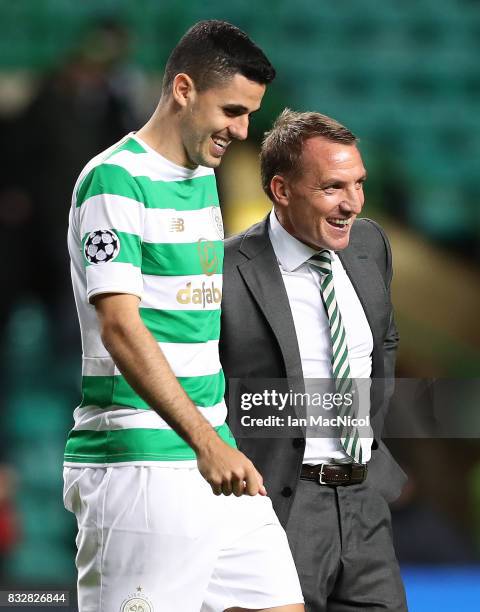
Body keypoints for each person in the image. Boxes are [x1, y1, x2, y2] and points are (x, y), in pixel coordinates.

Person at [63, 22, 304, 612]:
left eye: (250, 115)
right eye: (232, 110)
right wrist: (204, 441)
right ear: (183, 89)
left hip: (214, 453)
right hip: (141, 461)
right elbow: (120, 326)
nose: (243, 130)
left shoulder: (203, 176)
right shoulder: (115, 180)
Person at [219, 109, 408, 611]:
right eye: (332, 188)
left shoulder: (371, 244)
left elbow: (383, 344)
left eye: (359, 184)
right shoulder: (225, 270)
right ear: (281, 190)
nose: (352, 204)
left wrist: (367, 438)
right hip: (277, 508)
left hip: (365, 506)